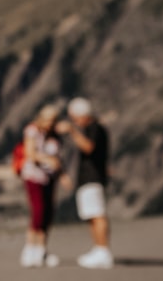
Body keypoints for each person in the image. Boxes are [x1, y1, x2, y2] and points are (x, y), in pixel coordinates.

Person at [59, 97, 113, 269]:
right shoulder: (93, 128)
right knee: (92, 215)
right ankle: (98, 248)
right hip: (88, 178)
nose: (74, 121)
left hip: (93, 177)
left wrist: (73, 131)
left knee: (97, 214)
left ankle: (103, 250)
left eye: (74, 117)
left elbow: (88, 147)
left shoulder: (94, 128)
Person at [19, 104, 66, 268]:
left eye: (53, 121)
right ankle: (29, 249)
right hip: (34, 176)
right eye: (48, 120)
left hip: (50, 177)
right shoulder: (32, 131)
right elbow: (30, 154)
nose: (50, 124)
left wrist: (62, 174)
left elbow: (59, 158)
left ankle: (41, 250)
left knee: (48, 213)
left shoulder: (55, 136)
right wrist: (48, 160)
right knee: (38, 211)